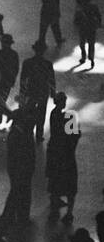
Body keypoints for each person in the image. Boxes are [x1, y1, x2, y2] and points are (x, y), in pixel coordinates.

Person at [45, 92, 77, 225]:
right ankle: (69, 212)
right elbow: (74, 137)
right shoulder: (70, 117)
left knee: (54, 179)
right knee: (70, 184)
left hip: (55, 152)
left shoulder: (54, 114)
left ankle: (55, 202)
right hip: (67, 155)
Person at [74, 0, 100, 69]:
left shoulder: (79, 8)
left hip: (83, 27)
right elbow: (98, 15)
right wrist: (99, 23)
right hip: (91, 26)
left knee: (82, 43)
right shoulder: (94, 6)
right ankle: (91, 58)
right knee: (91, 43)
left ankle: (83, 57)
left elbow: (76, 19)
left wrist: (77, 24)